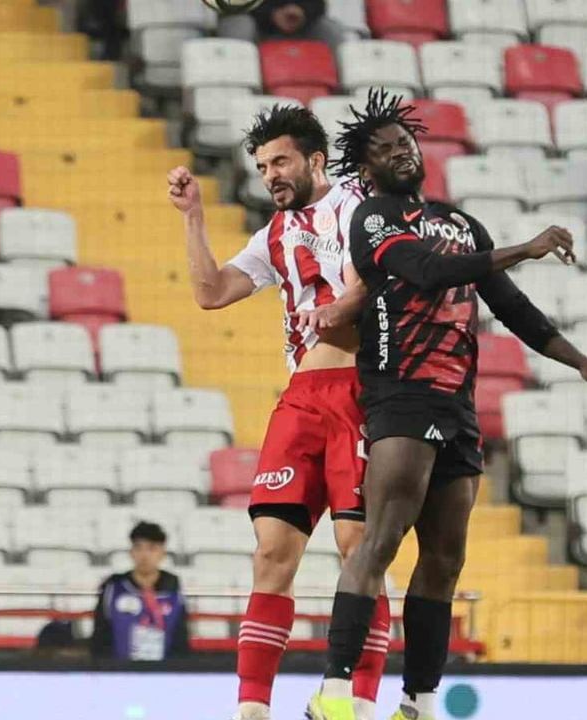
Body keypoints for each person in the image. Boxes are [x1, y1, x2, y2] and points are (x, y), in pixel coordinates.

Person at [307, 89, 587, 720]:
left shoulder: (462, 223)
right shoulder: (372, 218)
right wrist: (525, 247)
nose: (401, 152)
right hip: (401, 393)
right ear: (366, 168)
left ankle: (418, 702)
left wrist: (580, 361)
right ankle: (333, 694)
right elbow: (425, 271)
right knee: (381, 540)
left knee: (446, 558)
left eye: (405, 142)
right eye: (385, 149)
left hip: (457, 405)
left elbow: (510, 305)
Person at [169, 104, 390, 720]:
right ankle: (252, 709)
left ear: (316, 160)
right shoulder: (273, 234)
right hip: (300, 400)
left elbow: (377, 280)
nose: (270, 175)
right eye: (263, 166)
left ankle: (358, 703)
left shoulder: (359, 207)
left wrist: (338, 309)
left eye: (280, 161)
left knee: (358, 548)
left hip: (362, 391)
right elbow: (212, 292)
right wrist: (193, 218)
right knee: (270, 553)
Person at [90, 522, 191, 662]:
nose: (144, 555)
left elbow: (180, 638)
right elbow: (100, 636)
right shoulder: (113, 588)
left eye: (152, 548)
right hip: (119, 670)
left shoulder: (174, 589)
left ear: (162, 553)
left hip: (164, 671)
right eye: (139, 547)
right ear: (131, 552)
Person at [218, 1, 355, 51]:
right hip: (249, 17)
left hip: (296, 20)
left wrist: (303, 11)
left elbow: (318, 4)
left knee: (330, 29)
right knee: (241, 27)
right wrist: (272, 14)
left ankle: (342, 91)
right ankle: (240, 85)